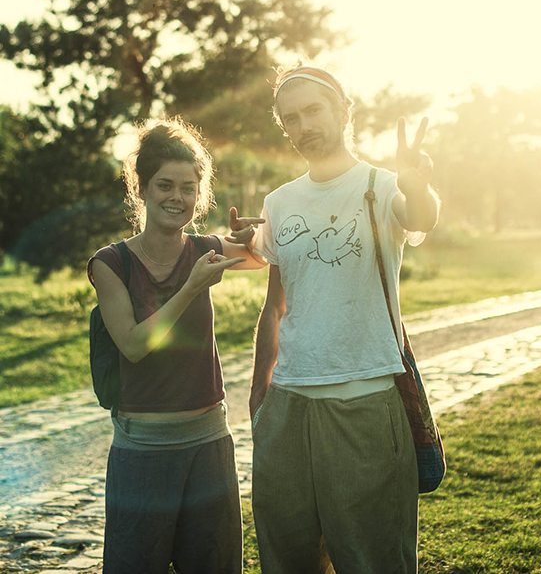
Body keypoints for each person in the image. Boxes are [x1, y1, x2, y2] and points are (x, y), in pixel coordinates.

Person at [244, 64, 440, 573]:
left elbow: (420, 216)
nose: (304, 126)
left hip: (364, 401)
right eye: (291, 118)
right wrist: (259, 392)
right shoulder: (279, 202)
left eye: (313, 110)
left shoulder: (383, 185)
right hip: (287, 407)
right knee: (288, 559)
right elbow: (276, 303)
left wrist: (418, 184)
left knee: (372, 559)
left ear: (343, 111)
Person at [87, 117, 265, 573]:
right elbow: (132, 344)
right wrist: (191, 287)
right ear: (141, 188)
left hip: (208, 444)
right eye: (165, 185)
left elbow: (264, 256)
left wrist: (251, 238)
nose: (177, 198)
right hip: (141, 452)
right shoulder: (111, 264)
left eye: (188, 188)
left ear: (199, 195)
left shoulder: (206, 248)